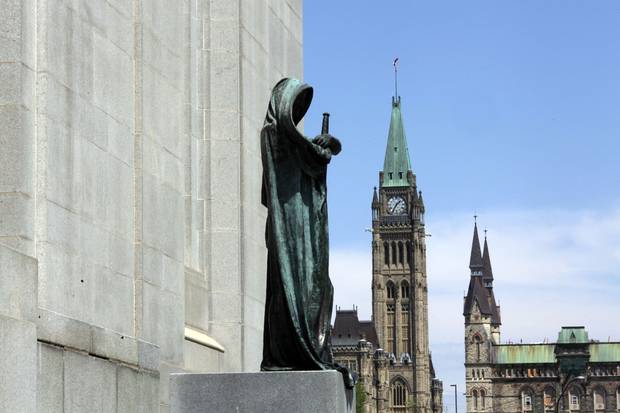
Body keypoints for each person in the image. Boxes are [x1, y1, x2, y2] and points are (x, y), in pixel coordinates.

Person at [260, 78, 352, 388]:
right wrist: (319, 149)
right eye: (296, 105)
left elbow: (307, 158)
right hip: (289, 232)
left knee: (319, 287)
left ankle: (310, 347)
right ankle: (296, 351)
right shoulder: (273, 135)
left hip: (303, 231)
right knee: (297, 290)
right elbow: (301, 152)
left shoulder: (289, 141)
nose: (298, 112)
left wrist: (322, 148)